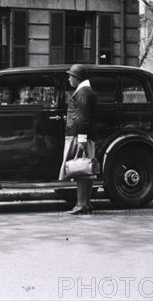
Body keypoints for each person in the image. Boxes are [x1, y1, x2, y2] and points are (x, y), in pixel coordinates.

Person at [59, 64, 97, 215]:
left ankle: (81, 205)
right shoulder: (87, 91)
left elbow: (83, 118)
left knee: (81, 170)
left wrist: (81, 140)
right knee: (87, 169)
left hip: (78, 136)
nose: (69, 79)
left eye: (71, 76)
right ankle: (85, 204)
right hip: (85, 136)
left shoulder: (82, 92)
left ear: (77, 78)